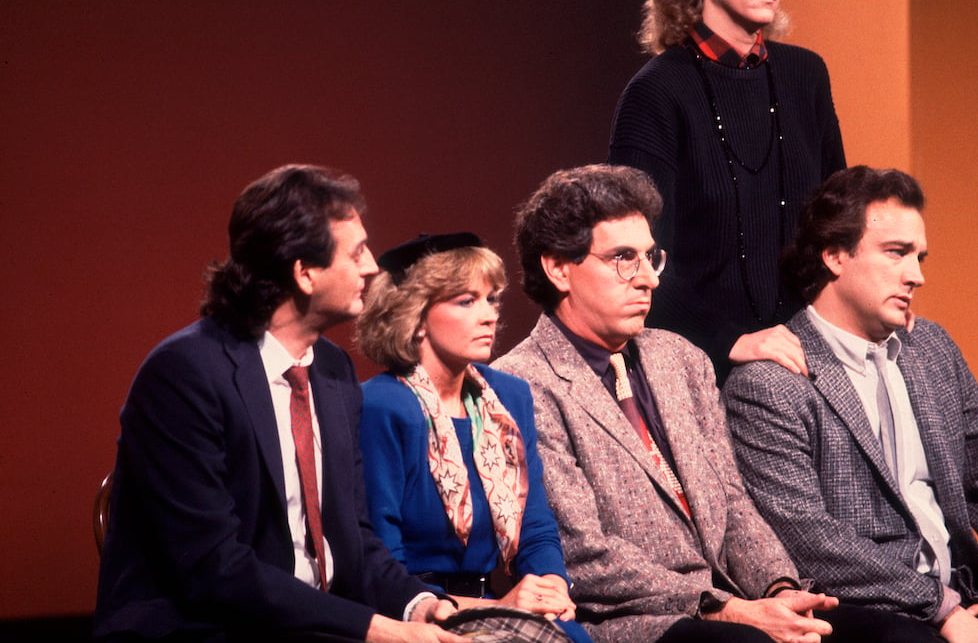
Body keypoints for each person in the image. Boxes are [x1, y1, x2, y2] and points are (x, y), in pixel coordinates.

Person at [94, 165, 465, 643]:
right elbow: (214, 568)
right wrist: (373, 628)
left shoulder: (332, 369)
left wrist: (417, 605)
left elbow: (352, 535)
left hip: (310, 625)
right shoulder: (185, 373)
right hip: (206, 628)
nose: (373, 266)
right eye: (355, 253)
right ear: (304, 272)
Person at [723, 166, 978, 643]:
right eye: (896, 253)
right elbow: (807, 537)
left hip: (962, 593)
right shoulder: (770, 380)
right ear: (834, 256)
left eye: (920, 256)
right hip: (861, 612)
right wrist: (943, 611)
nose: (917, 276)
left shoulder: (930, 348)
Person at [493, 164, 838, 643]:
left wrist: (778, 589)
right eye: (622, 258)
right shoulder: (521, 383)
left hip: (733, 598)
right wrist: (728, 609)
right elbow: (584, 554)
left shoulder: (681, 359)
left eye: (650, 257)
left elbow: (734, 505)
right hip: (631, 620)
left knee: (871, 634)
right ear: (558, 268)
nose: (648, 280)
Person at [608, 0, 847, 384]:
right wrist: (732, 339)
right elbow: (634, 257)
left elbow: (838, 225)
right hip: (703, 363)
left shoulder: (806, 75)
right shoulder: (656, 92)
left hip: (811, 355)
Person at [355, 231, 592, 643]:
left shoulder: (509, 396)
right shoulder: (382, 406)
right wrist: (497, 608)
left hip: (500, 605)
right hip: (417, 614)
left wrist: (551, 584)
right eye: (466, 301)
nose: (489, 315)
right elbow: (380, 564)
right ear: (413, 314)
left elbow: (534, 525)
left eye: (492, 299)